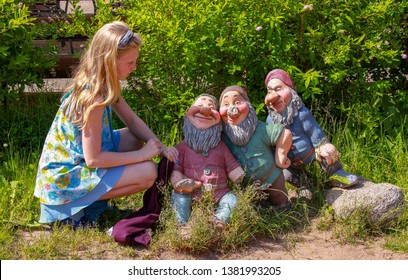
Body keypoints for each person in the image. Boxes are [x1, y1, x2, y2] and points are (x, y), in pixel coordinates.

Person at [34, 21, 178, 227]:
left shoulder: (105, 83)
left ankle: (91, 203)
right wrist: (142, 155)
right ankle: (72, 212)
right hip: (63, 183)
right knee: (148, 172)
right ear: (110, 61)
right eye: (130, 62)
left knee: (133, 137)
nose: (134, 67)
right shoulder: (92, 98)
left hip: (77, 160)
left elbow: (132, 120)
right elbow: (93, 159)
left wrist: (159, 147)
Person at [264, 68, 360, 199]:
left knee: (326, 153)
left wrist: (321, 144)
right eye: (270, 91)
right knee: (286, 174)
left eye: (278, 89)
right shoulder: (270, 120)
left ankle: (337, 175)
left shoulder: (302, 114)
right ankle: (308, 185)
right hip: (290, 162)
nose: (273, 96)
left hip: (310, 153)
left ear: (291, 90)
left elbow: (313, 131)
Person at [170, 94, 245, 229]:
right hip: (190, 191)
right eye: (200, 105)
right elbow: (176, 168)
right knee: (178, 197)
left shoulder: (221, 146)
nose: (206, 109)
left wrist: (237, 174)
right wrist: (178, 181)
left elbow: (231, 164)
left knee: (232, 200)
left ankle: (219, 222)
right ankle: (182, 225)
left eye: (212, 107)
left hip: (219, 192)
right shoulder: (182, 147)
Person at [219, 85, 293, 208]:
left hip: (272, 176)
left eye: (237, 102)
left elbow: (284, 134)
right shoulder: (224, 138)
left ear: (248, 105)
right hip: (248, 185)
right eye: (226, 105)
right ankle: (263, 210)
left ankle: (283, 209)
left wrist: (281, 155)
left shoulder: (259, 128)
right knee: (256, 206)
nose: (232, 109)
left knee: (279, 199)